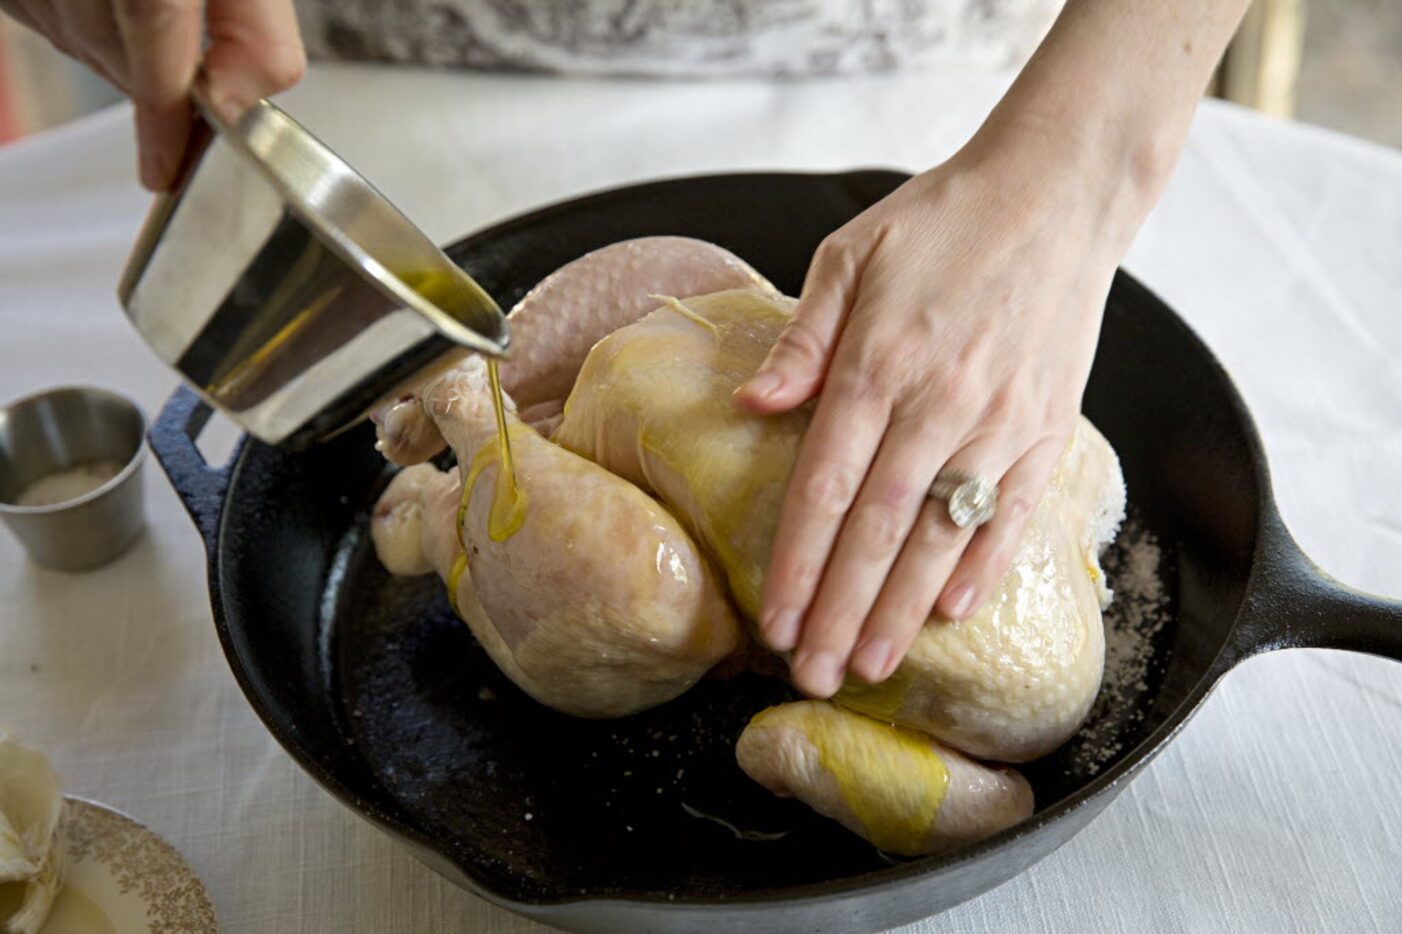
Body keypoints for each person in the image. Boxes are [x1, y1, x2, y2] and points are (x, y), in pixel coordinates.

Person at [2, 0, 1249, 698]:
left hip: (986, 90)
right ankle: (457, 445)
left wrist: (1084, 166)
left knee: (646, 596)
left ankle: (443, 493)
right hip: (351, 66)